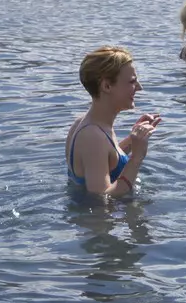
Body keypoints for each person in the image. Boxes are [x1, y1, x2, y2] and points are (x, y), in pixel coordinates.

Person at [66, 46, 160, 198]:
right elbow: (101, 198)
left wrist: (133, 140)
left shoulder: (86, 124)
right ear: (107, 86)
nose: (139, 87)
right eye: (132, 81)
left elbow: (106, 161)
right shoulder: (92, 136)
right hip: (100, 221)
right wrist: (136, 158)